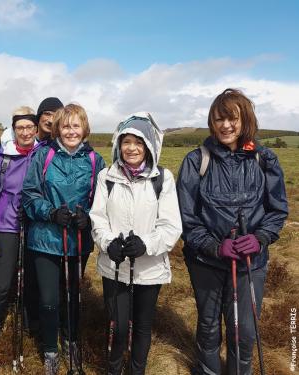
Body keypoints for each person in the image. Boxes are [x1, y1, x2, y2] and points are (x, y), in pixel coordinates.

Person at [177, 88, 288, 375]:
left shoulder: (264, 160)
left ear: (244, 120)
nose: (225, 125)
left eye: (232, 118)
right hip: (206, 262)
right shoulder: (196, 161)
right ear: (211, 123)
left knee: (244, 332)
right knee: (209, 327)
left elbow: (277, 211)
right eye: (218, 119)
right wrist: (215, 246)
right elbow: (186, 218)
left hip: (252, 264)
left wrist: (261, 238)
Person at [89, 113, 182, 375]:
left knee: (142, 326)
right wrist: (109, 243)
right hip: (114, 266)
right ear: (119, 144)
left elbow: (171, 225)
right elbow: (98, 218)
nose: (131, 148)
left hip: (149, 269)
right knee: (118, 325)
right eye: (126, 141)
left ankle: (137, 371)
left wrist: (146, 245)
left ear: (149, 146)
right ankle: (114, 369)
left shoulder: (162, 179)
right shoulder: (107, 176)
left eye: (138, 142)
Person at [22, 103, 106, 374]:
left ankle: (71, 340)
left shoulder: (95, 160)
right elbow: (30, 194)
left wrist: (89, 218)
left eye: (76, 125)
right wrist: (50, 212)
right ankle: (50, 350)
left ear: (85, 128)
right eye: (66, 125)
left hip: (78, 241)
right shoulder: (43, 155)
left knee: (73, 296)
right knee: (49, 299)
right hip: (45, 238)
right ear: (57, 128)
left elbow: (102, 202)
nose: (71, 131)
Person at [0, 106, 41, 355]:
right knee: (1, 284)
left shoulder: (44, 153)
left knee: (33, 281)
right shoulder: (2, 157)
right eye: (20, 127)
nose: (25, 132)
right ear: (13, 130)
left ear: (36, 129)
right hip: (7, 225)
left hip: (35, 223)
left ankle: (32, 329)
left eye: (29, 127)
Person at [24, 96, 64, 336]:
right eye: (45, 114)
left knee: (54, 282)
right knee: (31, 277)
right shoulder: (25, 141)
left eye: (55, 114)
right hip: (29, 220)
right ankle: (34, 323)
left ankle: (54, 323)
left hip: (54, 225)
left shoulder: (62, 146)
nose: (50, 118)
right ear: (38, 119)